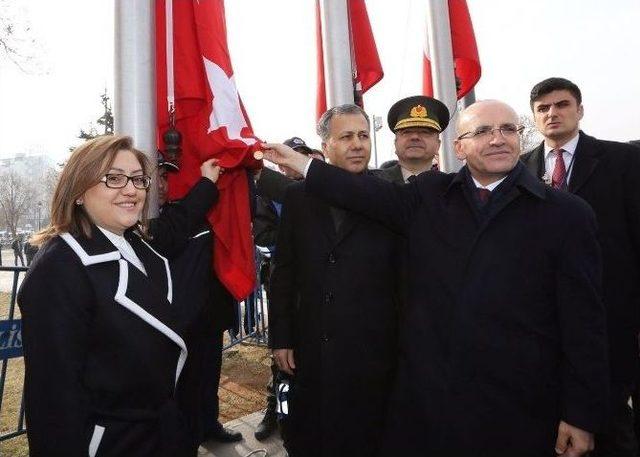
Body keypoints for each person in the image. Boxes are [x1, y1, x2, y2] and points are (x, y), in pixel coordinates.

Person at [262, 99, 609, 457]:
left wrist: (581, 414)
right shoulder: (430, 196)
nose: (497, 140)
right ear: (459, 147)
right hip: (431, 407)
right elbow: (361, 193)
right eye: (483, 131)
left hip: (520, 408)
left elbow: (584, 324)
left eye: (508, 129)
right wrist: (300, 163)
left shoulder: (566, 215)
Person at [17, 135, 221, 457]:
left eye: (139, 179)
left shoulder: (141, 247)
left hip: (164, 437)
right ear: (79, 191)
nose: (131, 189)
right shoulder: (59, 268)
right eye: (113, 178)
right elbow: (53, 403)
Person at [269, 105, 399, 457]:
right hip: (313, 348)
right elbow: (284, 272)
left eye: (363, 135)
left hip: (375, 352)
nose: (357, 145)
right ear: (325, 146)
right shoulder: (298, 197)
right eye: (345, 137)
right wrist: (281, 338)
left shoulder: (388, 196)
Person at [522, 77, 640, 457]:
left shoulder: (624, 161)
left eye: (562, 105)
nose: (552, 113)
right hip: (542, 324)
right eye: (543, 108)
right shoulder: (520, 170)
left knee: (610, 424)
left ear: (580, 110)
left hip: (612, 320)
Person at [153, 156, 243, 447]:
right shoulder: (150, 222)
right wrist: (205, 184)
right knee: (185, 389)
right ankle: (188, 437)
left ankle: (208, 423)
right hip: (179, 325)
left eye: (166, 177)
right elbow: (170, 234)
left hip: (209, 316)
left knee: (207, 378)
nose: (162, 185)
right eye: (156, 177)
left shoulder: (184, 211)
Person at [252, 136, 320, 442]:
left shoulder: (324, 190)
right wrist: (297, 242)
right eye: (292, 156)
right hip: (283, 284)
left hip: (319, 291)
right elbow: (263, 238)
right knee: (282, 356)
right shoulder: (269, 196)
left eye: (302, 156)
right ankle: (276, 410)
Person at [378, 95, 448, 184]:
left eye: (424, 132)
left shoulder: (452, 188)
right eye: (406, 132)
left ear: (438, 145)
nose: (415, 137)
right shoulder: (373, 186)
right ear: (395, 143)